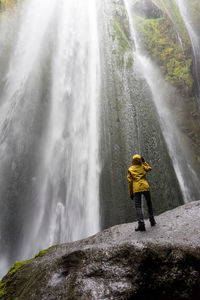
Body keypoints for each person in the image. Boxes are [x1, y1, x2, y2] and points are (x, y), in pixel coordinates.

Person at [127, 154, 156, 231]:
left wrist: (131, 193)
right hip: (145, 187)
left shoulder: (130, 169)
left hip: (136, 188)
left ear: (133, 160)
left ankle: (141, 224)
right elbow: (149, 168)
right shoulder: (142, 166)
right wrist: (144, 162)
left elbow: (130, 182)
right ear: (140, 160)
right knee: (149, 203)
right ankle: (152, 221)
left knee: (138, 206)